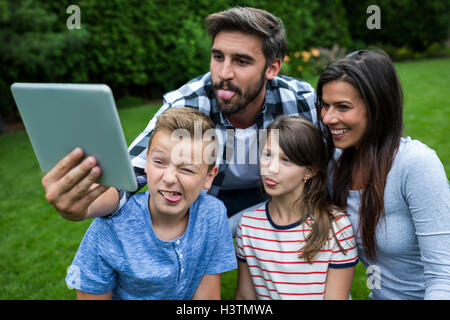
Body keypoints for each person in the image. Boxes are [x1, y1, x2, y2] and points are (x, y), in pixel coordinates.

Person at [41, 7, 318, 224]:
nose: (224, 73)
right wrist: (85, 206)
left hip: (281, 195)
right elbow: (130, 176)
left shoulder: (300, 101)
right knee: (129, 218)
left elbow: (336, 162)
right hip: (211, 201)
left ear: (272, 68)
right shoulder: (187, 103)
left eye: (241, 61)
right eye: (218, 57)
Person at [316, 49, 450, 299]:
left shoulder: (415, 164)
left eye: (342, 107)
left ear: (377, 108)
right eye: (325, 105)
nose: (328, 118)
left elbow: (444, 276)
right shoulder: (334, 165)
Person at [65, 108, 237, 299]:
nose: (169, 178)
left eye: (187, 169)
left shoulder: (213, 215)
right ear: (146, 161)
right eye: (159, 162)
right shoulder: (112, 227)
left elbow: (207, 296)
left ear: (209, 176)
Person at [234, 115, 358, 300]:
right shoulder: (248, 226)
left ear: (309, 171)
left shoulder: (336, 227)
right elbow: (245, 297)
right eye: (267, 154)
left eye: (286, 160)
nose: (271, 168)